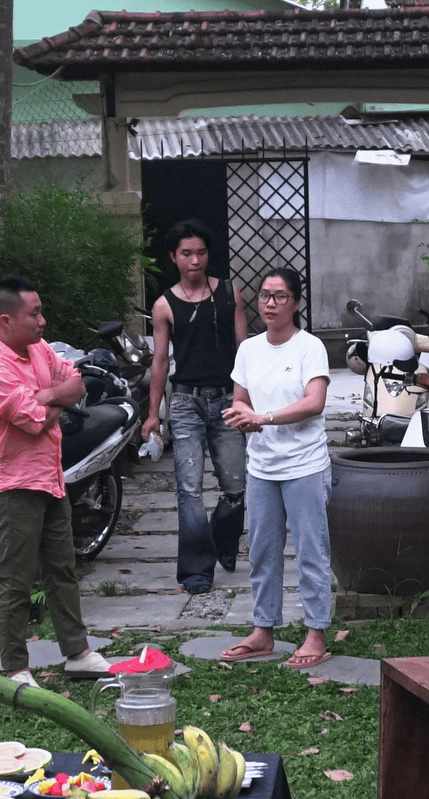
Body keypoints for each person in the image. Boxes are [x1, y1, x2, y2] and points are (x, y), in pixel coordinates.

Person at [0, 274, 111, 685]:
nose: (43, 321)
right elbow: (32, 424)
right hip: (12, 485)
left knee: (63, 568)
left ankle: (78, 653)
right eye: (34, 314)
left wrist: (48, 395)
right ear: (6, 319)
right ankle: (15, 667)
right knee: (16, 577)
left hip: (49, 477)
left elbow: (76, 383)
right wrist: (54, 397)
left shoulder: (37, 348)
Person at [217, 268, 334, 669]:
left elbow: (313, 402)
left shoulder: (310, 347)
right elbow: (239, 402)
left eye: (280, 296)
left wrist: (262, 418)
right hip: (262, 467)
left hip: (305, 465)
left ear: (296, 303)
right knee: (263, 551)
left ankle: (316, 633)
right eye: (264, 295)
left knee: (310, 551)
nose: (269, 303)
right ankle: (263, 630)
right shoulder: (248, 349)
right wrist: (245, 415)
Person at [143, 219, 249, 594]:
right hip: (187, 402)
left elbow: (245, 350)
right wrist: (154, 413)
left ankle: (223, 537)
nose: (195, 260)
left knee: (236, 486)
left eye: (201, 252)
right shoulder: (164, 305)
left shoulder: (229, 294)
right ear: (174, 257)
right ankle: (196, 571)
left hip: (227, 400)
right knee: (189, 490)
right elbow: (159, 361)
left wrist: (247, 398)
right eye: (186, 253)